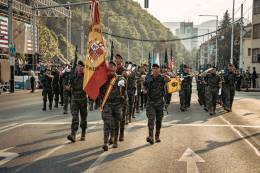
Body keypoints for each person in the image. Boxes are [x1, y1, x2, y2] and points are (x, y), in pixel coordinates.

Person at [100, 61, 126, 151]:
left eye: (113, 66)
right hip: (107, 104)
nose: (111, 68)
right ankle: (105, 142)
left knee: (116, 123)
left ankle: (115, 140)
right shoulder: (104, 78)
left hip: (117, 104)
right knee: (107, 122)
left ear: (115, 68)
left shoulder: (119, 78)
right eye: (109, 66)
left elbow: (123, 81)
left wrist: (122, 83)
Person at [144, 64, 170, 144]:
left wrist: (166, 75)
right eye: (153, 68)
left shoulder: (162, 77)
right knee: (151, 119)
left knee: (159, 121)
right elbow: (144, 86)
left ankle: (157, 136)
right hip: (150, 102)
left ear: (159, 70)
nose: (155, 70)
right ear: (152, 69)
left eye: (156, 68)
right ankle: (151, 136)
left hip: (159, 102)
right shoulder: (148, 77)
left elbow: (168, 80)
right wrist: (144, 90)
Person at [67, 61, 88, 143]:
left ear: (84, 68)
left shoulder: (86, 76)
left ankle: (83, 133)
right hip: (74, 99)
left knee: (83, 118)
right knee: (75, 117)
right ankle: (73, 135)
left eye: (81, 66)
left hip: (83, 99)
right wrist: (68, 87)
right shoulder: (73, 76)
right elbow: (69, 85)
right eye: (78, 66)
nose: (79, 68)